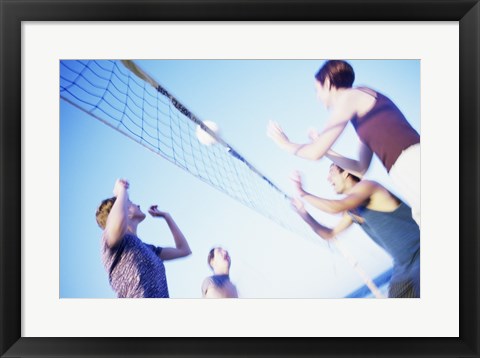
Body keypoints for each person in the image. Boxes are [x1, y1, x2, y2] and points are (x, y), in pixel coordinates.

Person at [267, 60, 420, 227]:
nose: (317, 97)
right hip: (404, 170)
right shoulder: (361, 113)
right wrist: (326, 150)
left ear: (327, 83)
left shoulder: (350, 96)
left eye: (317, 90)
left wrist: (284, 143)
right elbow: (360, 168)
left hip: (412, 163)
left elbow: (314, 153)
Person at [290, 164, 420, 298]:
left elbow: (335, 208)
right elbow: (329, 234)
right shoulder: (352, 211)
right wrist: (303, 213)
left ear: (345, 173)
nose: (328, 179)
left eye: (332, 173)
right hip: (403, 267)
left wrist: (302, 192)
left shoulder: (368, 186)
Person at [95, 178, 192, 298]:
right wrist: (121, 192)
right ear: (123, 209)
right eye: (130, 202)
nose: (138, 204)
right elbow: (118, 223)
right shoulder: (109, 240)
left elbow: (184, 250)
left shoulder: (149, 249)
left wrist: (167, 216)